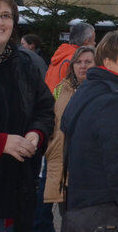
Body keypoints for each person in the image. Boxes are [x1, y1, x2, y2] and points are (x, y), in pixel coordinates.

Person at [0, 0, 55, 231]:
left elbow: (45, 109)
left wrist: (36, 133)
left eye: (6, 15)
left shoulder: (24, 65)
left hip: (15, 201)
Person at [61, 32, 118, 232]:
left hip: (80, 207)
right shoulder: (116, 102)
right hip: (106, 213)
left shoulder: (89, 89)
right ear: (108, 62)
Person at [43, 46, 95, 206]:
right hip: (60, 158)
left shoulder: (101, 90)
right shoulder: (61, 88)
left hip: (87, 162)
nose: (83, 66)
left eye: (88, 62)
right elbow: (50, 118)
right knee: (61, 209)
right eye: (78, 62)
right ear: (72, 66)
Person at [45, 22, 95, 93]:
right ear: (86, 41)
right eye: (93, 40)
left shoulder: (61, 55)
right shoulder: (74, 59)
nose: (95, 43)